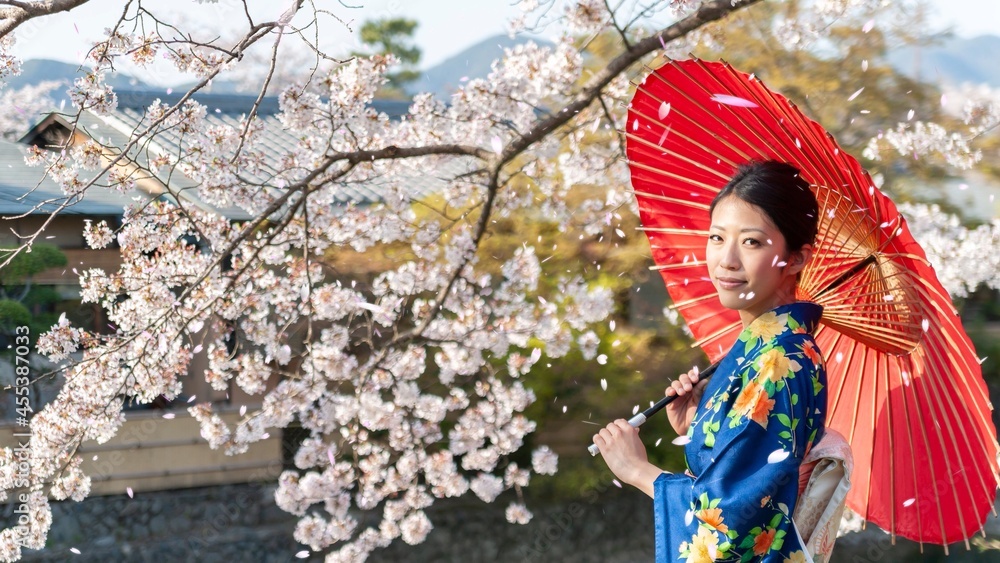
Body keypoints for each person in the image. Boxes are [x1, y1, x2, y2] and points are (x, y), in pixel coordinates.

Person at [593, 160, 828, 562]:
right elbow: (737, 473)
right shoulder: (772, 349)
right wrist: (701, 426)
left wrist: (639, 472)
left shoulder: (778, 362)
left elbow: (735, 525)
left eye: (752, 242)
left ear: (796, 259)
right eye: (717, 238)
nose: (727, 260)